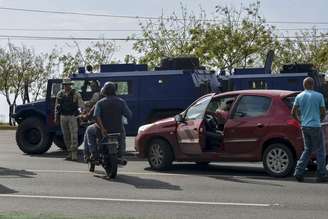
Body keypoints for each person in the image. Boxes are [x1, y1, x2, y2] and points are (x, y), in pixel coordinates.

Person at [85, 82, 132, 168]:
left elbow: (96, 116)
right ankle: (121, 155)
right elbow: (129, 115)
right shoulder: (121, 102)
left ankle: (94, 154)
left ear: (104, 91)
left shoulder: (100, 103)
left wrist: (102, 128)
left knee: (89, 130)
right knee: (122, 134)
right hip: (117, 130)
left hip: (103, 130)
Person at [292, 77, 327, 182]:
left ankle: (298, 172)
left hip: (305, 126)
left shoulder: (299, 96)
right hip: (315, 126)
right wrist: (319, 120)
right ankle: (321, 174)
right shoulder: (319, 96)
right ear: (313, 85)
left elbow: (293, 112)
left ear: (304, 85)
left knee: (307, 150)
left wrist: (300, 121)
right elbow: (323, 112)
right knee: (320, 151)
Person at [55, 78, 85, 161]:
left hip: (72, 116)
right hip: (63, 116)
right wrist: (56, 117)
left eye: (67, 84)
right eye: (65, 84)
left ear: (70, 85)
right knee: (66, 136)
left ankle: (74, 154)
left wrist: (82, 114)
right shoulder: (60, 94)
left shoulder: (75, 93)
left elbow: (81, 104)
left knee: (74, 135)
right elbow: (56, 107)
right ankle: (69, 153)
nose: (66, 86)